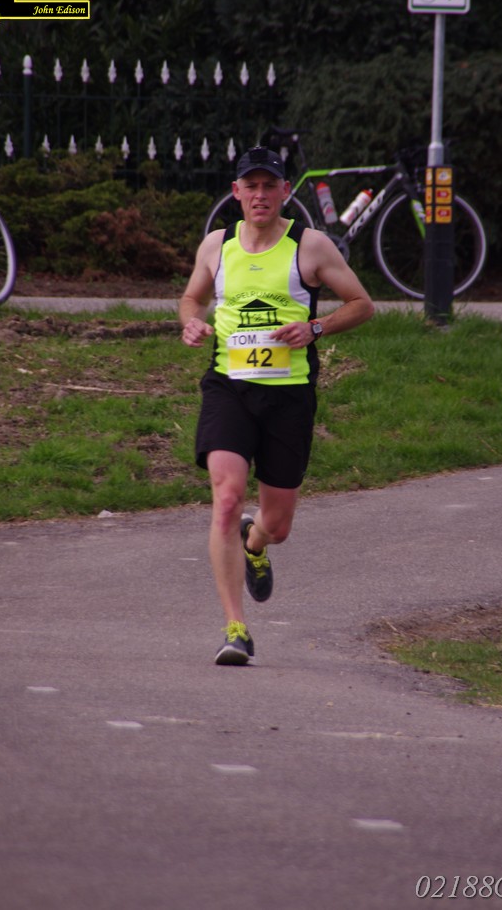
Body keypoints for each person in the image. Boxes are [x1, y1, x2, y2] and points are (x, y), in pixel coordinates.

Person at [179, 145, 374, 665]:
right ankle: (235, 629)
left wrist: (315, 328)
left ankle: (256, 541)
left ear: (285, 191)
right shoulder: (217, 245)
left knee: (279, 524)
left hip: (289, 394)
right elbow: (191, 297)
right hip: (228, 387)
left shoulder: (310, 246)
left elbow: (362, 305)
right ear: (236, 192)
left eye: (270, 186)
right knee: (226, 498)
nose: (260, 195)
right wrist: (191, 321)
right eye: (251, 186)